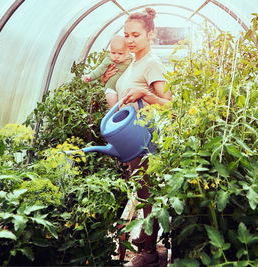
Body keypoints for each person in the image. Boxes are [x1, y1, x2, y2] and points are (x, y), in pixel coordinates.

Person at [102, 7, 172, 267]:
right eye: (126, 35)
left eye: (136, 35)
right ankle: (146, 241)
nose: (130, 40)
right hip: (132, 139)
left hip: (145, 140)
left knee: (147, 195)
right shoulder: (133, 62)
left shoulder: (151, 62)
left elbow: (169, 104)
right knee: (143, 193)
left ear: (149, 35)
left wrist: (145, 95)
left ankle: (150, 254)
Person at [83, 35, 133, 108]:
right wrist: (90, 76)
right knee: (114, 108)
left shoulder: (130, 59)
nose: (116, 56)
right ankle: (114, 115)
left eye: (120, 53)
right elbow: (100, 69)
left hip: (124, 90)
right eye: (113, 53)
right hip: (112, 89)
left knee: (124, 107)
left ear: (127, 52)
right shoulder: (108, 60)